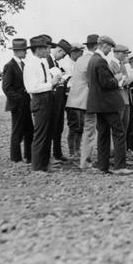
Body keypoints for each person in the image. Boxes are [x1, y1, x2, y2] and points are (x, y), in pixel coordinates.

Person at [86, 36, 133, 175]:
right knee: (119, 133)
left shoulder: (92, 60)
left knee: (103, 135)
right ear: (104, 46)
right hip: (108, 103)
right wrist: (117, 79)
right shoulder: (100, 61)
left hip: (97, 104)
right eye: (110, 48)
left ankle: (103, 166)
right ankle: (119, 167)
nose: (110, 50)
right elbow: (106, 83)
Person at [23, 35, 62, 172]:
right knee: (40, 134)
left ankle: (45, 164)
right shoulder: (30, 64)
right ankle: (37, 166)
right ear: (38, 49)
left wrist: (56, 81)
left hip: (48, 98)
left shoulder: (43, 62)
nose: (49, 50)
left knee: (48, 133)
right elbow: (32, 87)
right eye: (46, 48)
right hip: (39, 99)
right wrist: (50, 84)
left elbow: (47, 81)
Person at [66, 34, 99, 170]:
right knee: (89, 130)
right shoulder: (93, 59)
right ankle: (85, 161)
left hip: (77, 99)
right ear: (97, 46)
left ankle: (83, 157)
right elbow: (94, 81)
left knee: (85, 129)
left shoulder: (81, 59)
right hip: (87, 99)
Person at [2, 38, 33, 163]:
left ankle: (29, 156)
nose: (26, 53)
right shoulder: (9, 66)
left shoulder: (23, 65)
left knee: (29, 131)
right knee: (17, 132)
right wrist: (19, 99)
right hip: (17, 105)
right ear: (18, 51)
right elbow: (6, 88)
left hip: (26, 104)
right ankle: (16, 158)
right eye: (25, 50)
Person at [48, 38, 72, 163]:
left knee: (58, 126)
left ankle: (57, 153)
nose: (63, 57)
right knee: (53, 125)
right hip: (53, 97)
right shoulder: (47, 61)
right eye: (63, 54)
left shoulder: (55, 63)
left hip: (59, 97)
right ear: (59, 50)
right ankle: (53, 155)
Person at [62, 42, 84, 158]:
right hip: (71, 98)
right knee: (74, 125)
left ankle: (78, 149)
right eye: (80, 52)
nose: (82, 54)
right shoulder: (66, 65)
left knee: (81, 124)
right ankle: (72, 151)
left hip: (81, 97)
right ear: (74, 52)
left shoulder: (79, 64)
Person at [112, 44, 133, 137]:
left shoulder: (122, 65)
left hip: (126, 99)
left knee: (124, 127)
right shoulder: (111, 65)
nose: (126, 56)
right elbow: (111, 82)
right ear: (116, 53)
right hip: (118, 100)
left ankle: (121, 150)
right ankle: (114, 150)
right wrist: (124, 82)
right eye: (124, 53)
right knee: (117, 127)